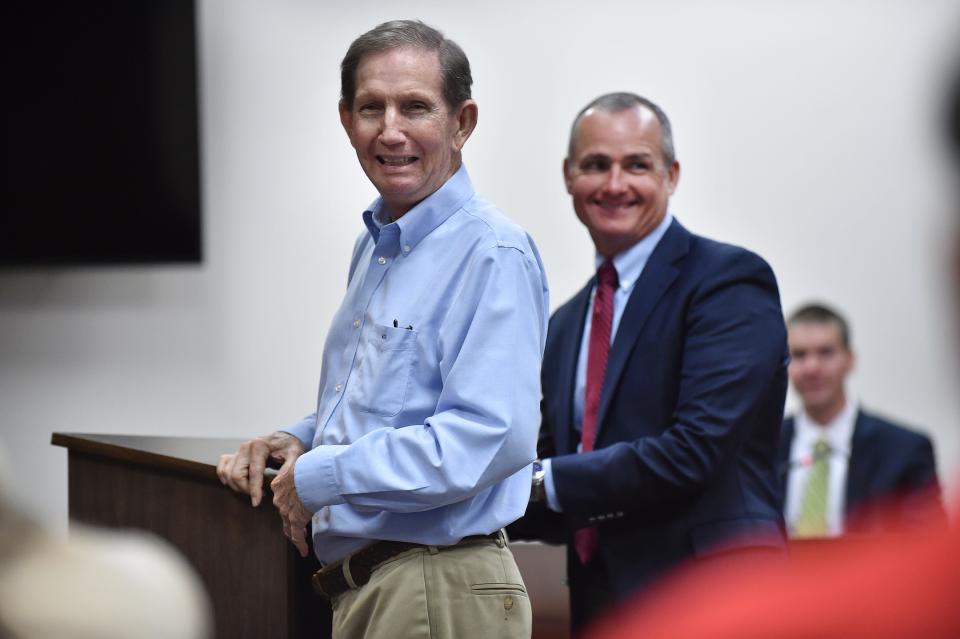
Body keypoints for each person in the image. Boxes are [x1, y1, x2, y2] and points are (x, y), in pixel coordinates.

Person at [216, 20, 548, 639]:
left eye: (415, 107)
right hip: (380, 589)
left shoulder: (492, 251)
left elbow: (488, 438)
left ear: (462, 122)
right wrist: (299, 440)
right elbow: (390, 404)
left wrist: (321, 476)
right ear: (346, 120)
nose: (390, 131)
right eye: (372, 107)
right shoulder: (375, 249)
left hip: (437, 586)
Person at [507, 92, 790, 633]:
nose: (615, 185)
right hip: (601, 603)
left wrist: (534, 480)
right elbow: (557, 472)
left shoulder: (727, 281)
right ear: (569, 176)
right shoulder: (566, 324)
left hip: (717, 599)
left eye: (636, 164)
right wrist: (441, 502)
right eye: (596, 165)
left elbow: (694, 451)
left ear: (671, 174)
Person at [779, 302, 944, 537]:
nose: (812, 367)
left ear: (850, 359)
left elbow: (929, 546)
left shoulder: (904, 450)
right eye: (799, 355)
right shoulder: (762, 448)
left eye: (825, 353)